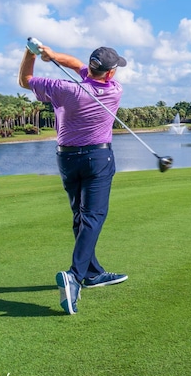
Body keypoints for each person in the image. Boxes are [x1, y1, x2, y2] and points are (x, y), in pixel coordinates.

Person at [18, 41, 128, 315]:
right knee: (94, 216)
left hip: (66, 158)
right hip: (98, 159)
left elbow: (25, 80)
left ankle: (92, 273)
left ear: (91, 68)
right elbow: (78, 66)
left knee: (80, 216)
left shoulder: (64, 89)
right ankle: (75, 276)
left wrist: (33, 53)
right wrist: (54, 57)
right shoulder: (114, 90)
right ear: (110, 73)